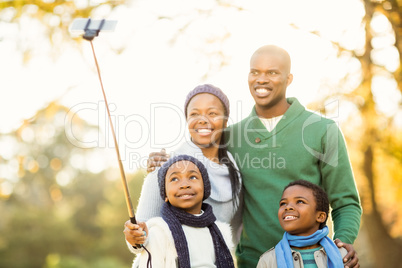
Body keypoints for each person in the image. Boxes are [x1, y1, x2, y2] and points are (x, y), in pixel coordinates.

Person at [147, 45, 362, 268]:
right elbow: (194, 161)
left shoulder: (323, 130)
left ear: (288, 79)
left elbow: (346, 202)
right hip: (253, 261)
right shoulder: (231, 136)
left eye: (272, 72)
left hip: (313, 260)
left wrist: (341, 245)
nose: (261, 79)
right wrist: (165, 162)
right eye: (255, 72)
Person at [124, 84, 242, 250]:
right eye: (194, 114)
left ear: (225, 120)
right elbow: (139, 239)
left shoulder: (235, 173)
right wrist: (135, 237)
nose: (202, 119)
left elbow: (234, 235)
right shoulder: (165, 167)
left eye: (212, 113)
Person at [126, 154, 235, 268]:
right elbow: (142, 244)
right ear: (165, 194)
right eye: (174, 179)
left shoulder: (222, 233)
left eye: (192, 177)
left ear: (205, 188)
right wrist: (136, 238)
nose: (184, 185)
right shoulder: (159, 231)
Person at [257, 179, 347, 268]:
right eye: (283, 203)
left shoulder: (342, 255)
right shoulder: (268, 261)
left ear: (320, 216)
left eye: (300, 201)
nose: (288, 207)